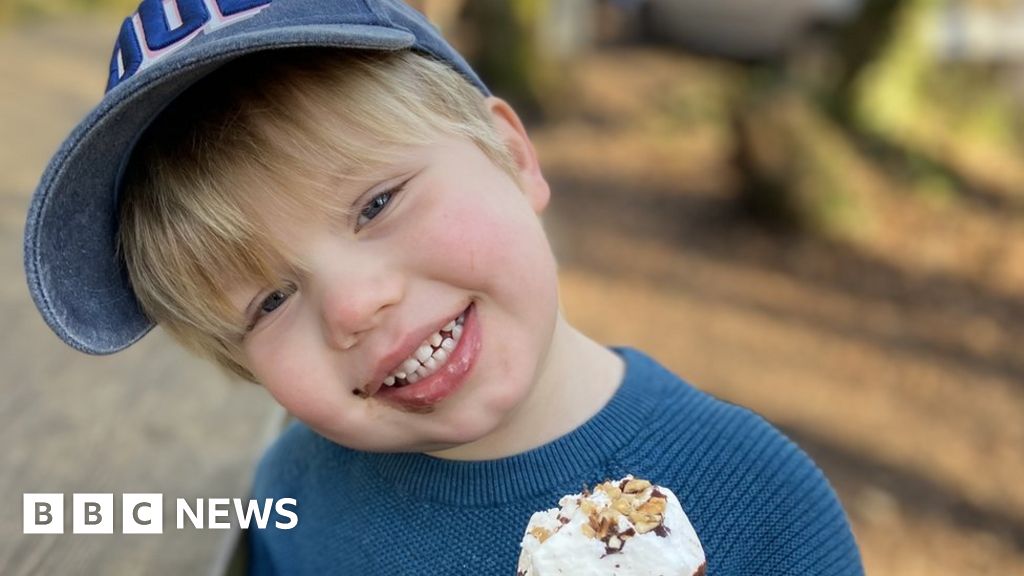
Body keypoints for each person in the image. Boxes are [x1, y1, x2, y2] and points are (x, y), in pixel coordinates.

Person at [23, 0, 864, 574]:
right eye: (268, 301)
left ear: (514, 156)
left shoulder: (756, 502)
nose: (353, 307)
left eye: (376, 203)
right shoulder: (292, 494)